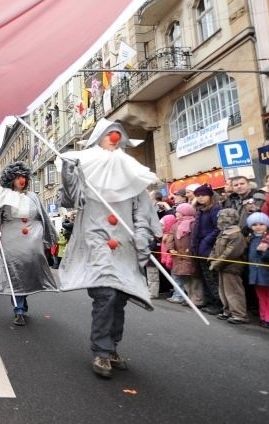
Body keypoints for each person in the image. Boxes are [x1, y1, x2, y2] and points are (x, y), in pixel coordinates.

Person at [58, 118, 162, 378]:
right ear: (98, 140)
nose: (113, 138)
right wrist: (69, 173)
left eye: (118, 134)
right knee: (105, 295)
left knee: (120, 298)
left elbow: (141, 211)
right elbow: (71, 199)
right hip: (96, 240)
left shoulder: (131, 171)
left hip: (124, 246)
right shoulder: (86, 170)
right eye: (108, 134)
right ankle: (102, 352)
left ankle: (112, 345)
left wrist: (141, 236)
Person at [0, 162, 58, 326]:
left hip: (32, 241)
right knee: (15, 274)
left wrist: (49, 237)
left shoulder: (33, 196)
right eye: (18, 177)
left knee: (26, 273)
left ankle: (22, 302)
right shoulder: (3, 197)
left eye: (24, 177)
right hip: (11, 241)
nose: (22, 180)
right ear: (10, 179)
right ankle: (19, 310)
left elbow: (44, 217)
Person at [208, 208, 249, 324]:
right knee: (223, 290)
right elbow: (216, 248)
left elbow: (231, 253)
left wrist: (217, 262)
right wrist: (212, 257)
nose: (220, 220)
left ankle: (239, 314)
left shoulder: (235, 234)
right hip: (222, 267)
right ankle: (228, 310)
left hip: (232, 267)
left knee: (234, 291)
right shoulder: (224, 233)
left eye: (223, 217)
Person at [190, 184, 222, 315]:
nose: (201, 198)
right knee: (205, 277)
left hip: (209, 248)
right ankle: (210, 301)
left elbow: (218, 228)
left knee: (213, 278)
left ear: (210, 196)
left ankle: (218, 303)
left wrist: (206, 241)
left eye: (203, 195)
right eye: (198, 196)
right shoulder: (200, 210)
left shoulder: (215, 209)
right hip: (200, 248)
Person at [166, 204, 204, 307]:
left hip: (190, 255)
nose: (176, 214)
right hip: (178, 256)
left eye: (178, 212)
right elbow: (170, 238)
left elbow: (196, 238)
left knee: (195, 278)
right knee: (185, 278)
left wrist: (192, 249)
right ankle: (189, 298)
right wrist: (171, 249)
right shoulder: (175, 225)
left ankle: (197, 300)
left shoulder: (194, 224)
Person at [246, 212, 269, 329]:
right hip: (255, 273)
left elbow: (268, 256)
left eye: (261, 224)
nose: (258, 227)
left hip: (268, 273)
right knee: (261, 297)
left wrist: (265, 252)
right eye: (255, 224)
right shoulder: (251, 239)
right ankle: (263, 317)